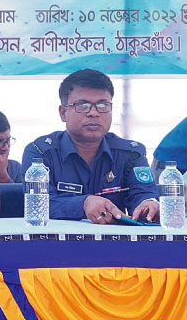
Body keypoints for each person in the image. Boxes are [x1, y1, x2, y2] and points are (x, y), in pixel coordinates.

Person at [22, 69, 159, 224]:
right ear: (63, 113)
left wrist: (149, 204)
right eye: (82, 105)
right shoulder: (40, 153)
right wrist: (84, 203)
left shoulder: (131, 154)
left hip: (114, 238)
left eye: (102, 105)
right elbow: (38, 204)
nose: (93, 113)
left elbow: (143, 194)